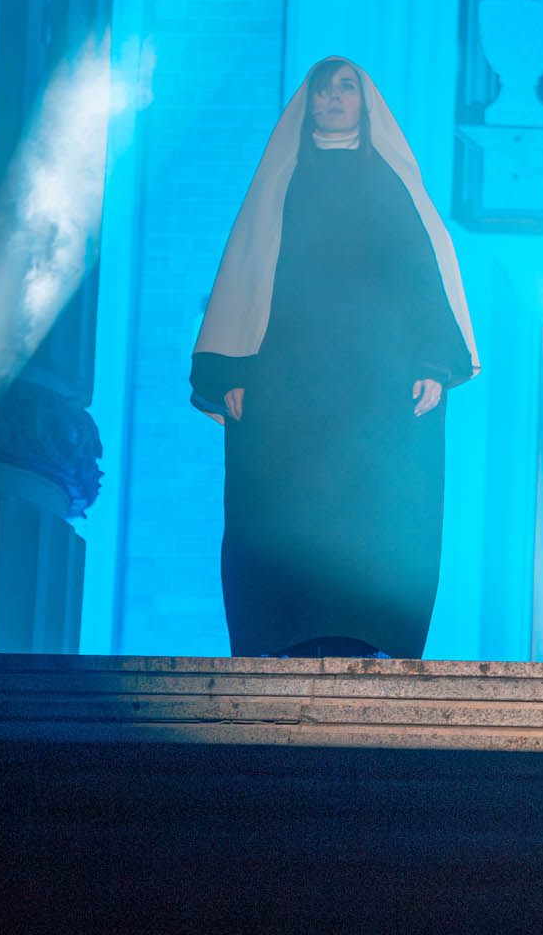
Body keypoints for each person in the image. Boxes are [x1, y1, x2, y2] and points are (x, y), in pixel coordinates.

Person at [190, 57, 478, 659]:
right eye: (323, 91)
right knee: (281, 503)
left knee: (378, 500)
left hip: (376, 376)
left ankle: (368, 635)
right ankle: (284, 635)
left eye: (346, 88)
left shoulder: (390, 183)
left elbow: (420, 274)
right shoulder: (281, 182)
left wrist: (432, 363)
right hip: (288, 374)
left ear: (365, 103)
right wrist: (234, 370)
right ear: (309, 105)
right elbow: (246, 276)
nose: (334, 99)